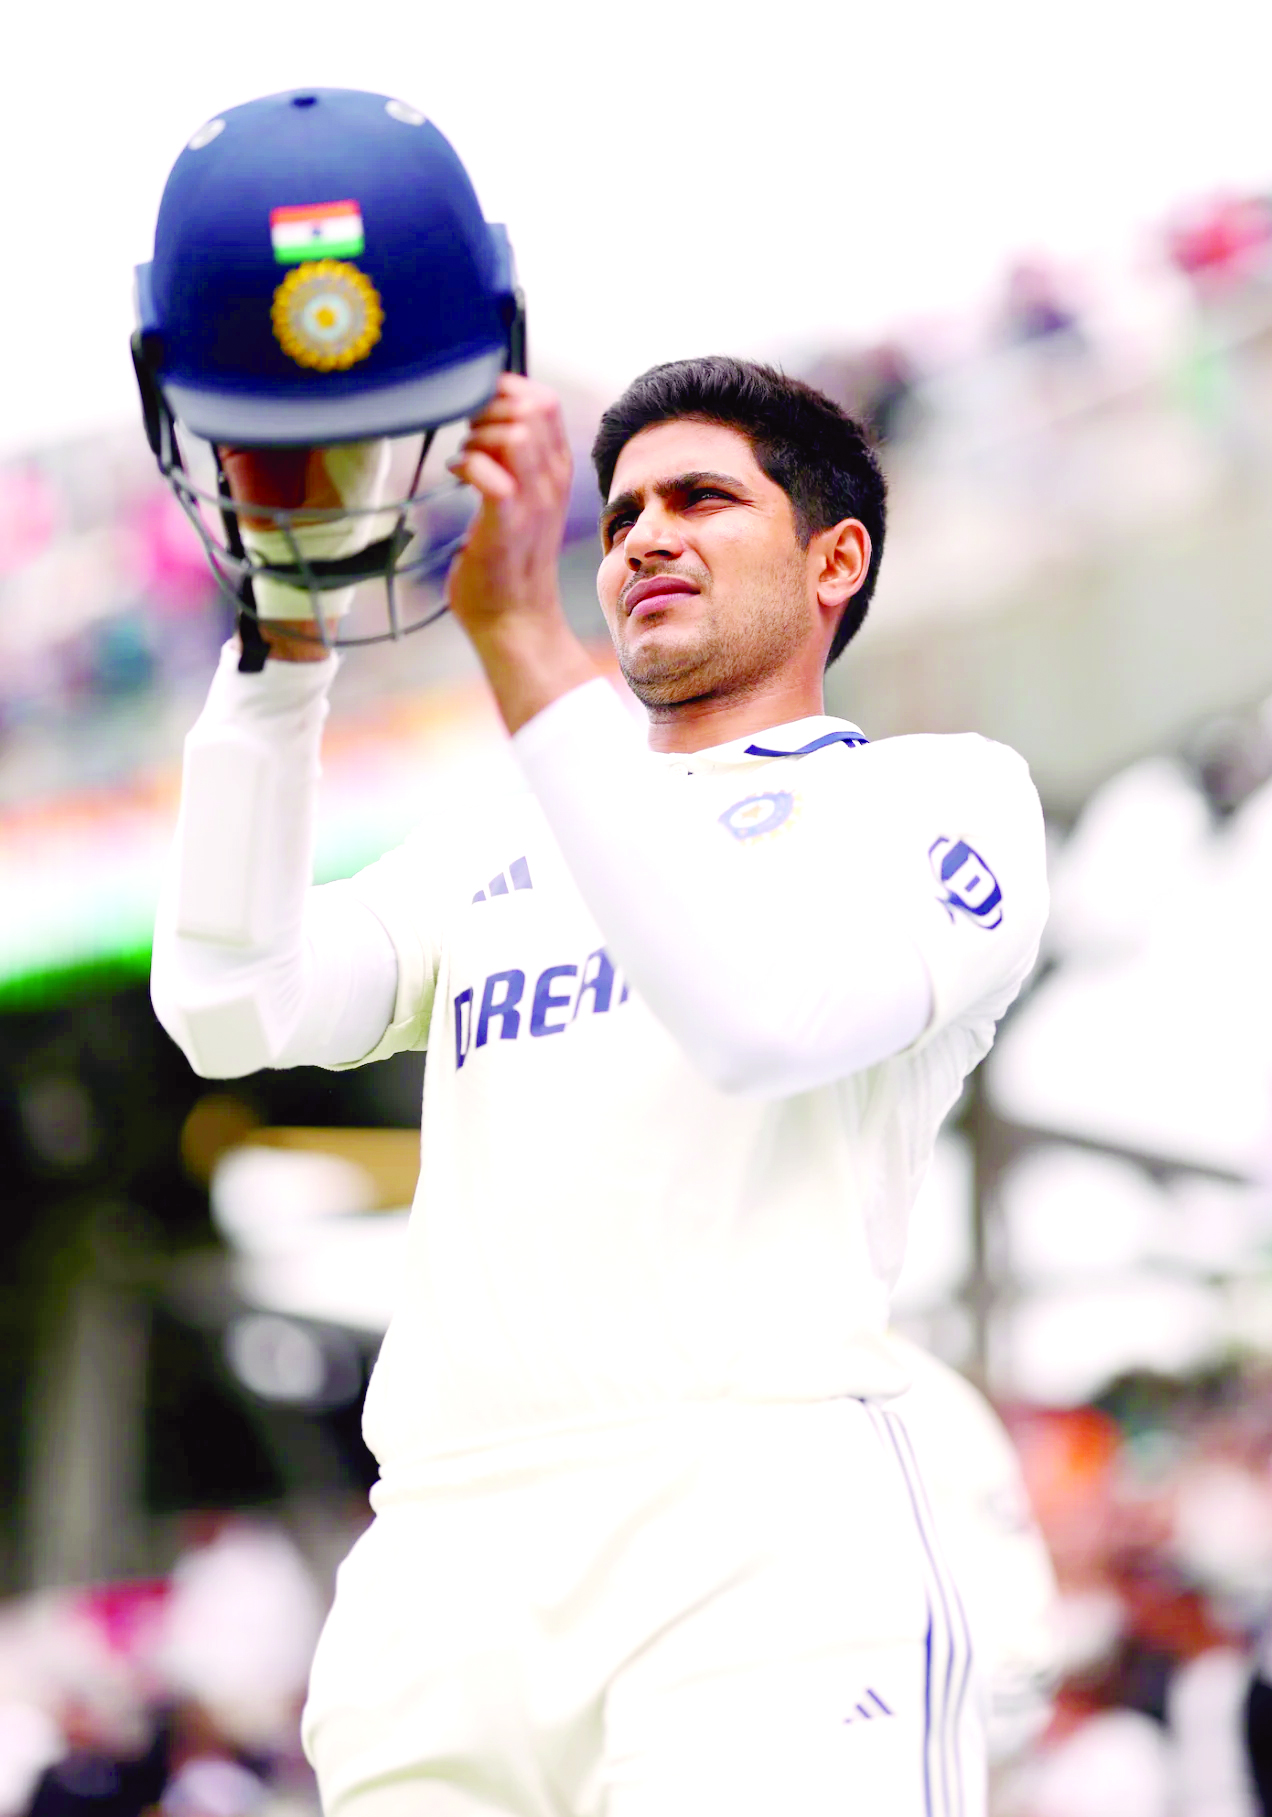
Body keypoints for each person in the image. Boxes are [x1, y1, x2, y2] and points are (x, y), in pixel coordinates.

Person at [152, 353, 1049, 1816]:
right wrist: (280, 648)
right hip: (441, 1564)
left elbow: (763, 1019)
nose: (644, 538)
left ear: (836, 561)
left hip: (755, 1532)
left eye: (702, 499)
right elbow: (231, 1003)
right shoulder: (508, 835)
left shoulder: (938, 798)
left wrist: (521, 642)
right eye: (621, 513)